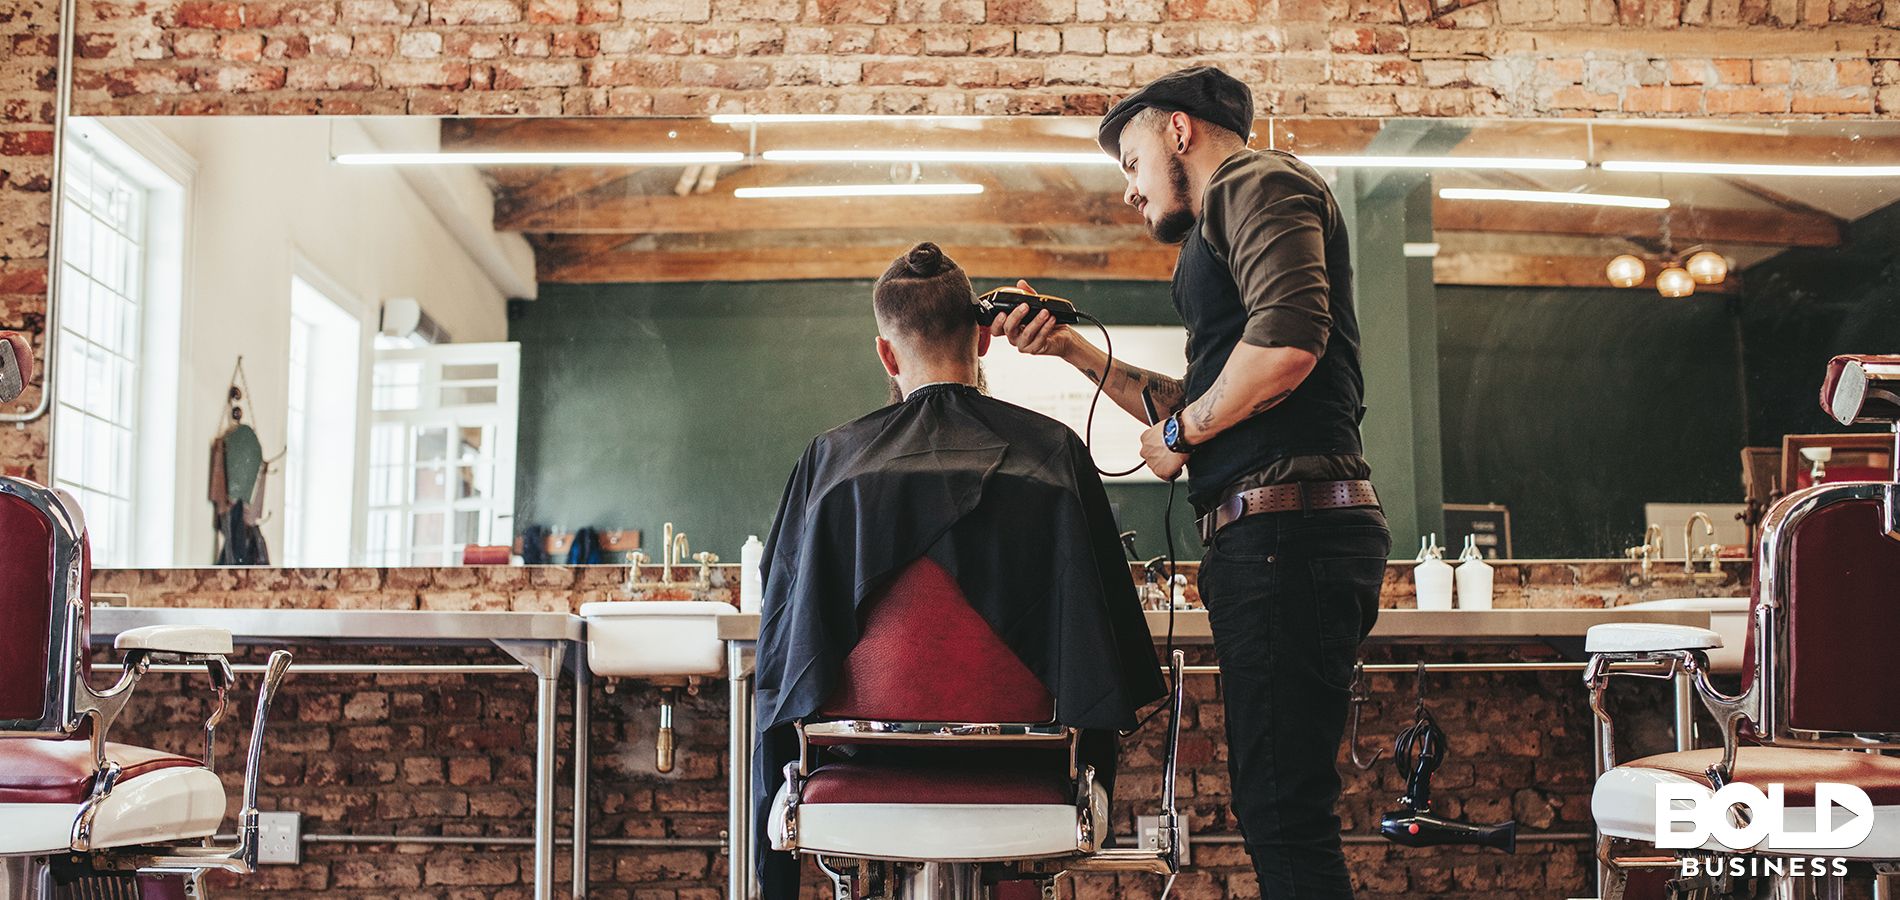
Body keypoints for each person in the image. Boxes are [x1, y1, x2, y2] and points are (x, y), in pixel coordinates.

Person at [990, 66, 1391, 899]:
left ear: (1179, 129)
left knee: (1283, 815)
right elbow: (1208, 401)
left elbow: (1286, 348)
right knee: (1278, 809)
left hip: (1289, 537)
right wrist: (1070, 349)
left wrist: (1178, 436)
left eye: (1132, 162)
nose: (1130, 191)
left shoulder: (1255, 180)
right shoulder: (1221, 232)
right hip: (1276, 539)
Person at [751, 242, 1166, 898]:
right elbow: (1099, 640)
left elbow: (784, 641)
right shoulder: (1054, 455)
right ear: (984, 339)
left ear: (887, 354)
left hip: (863, 764)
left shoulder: (830, 464)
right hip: (1028, 763)